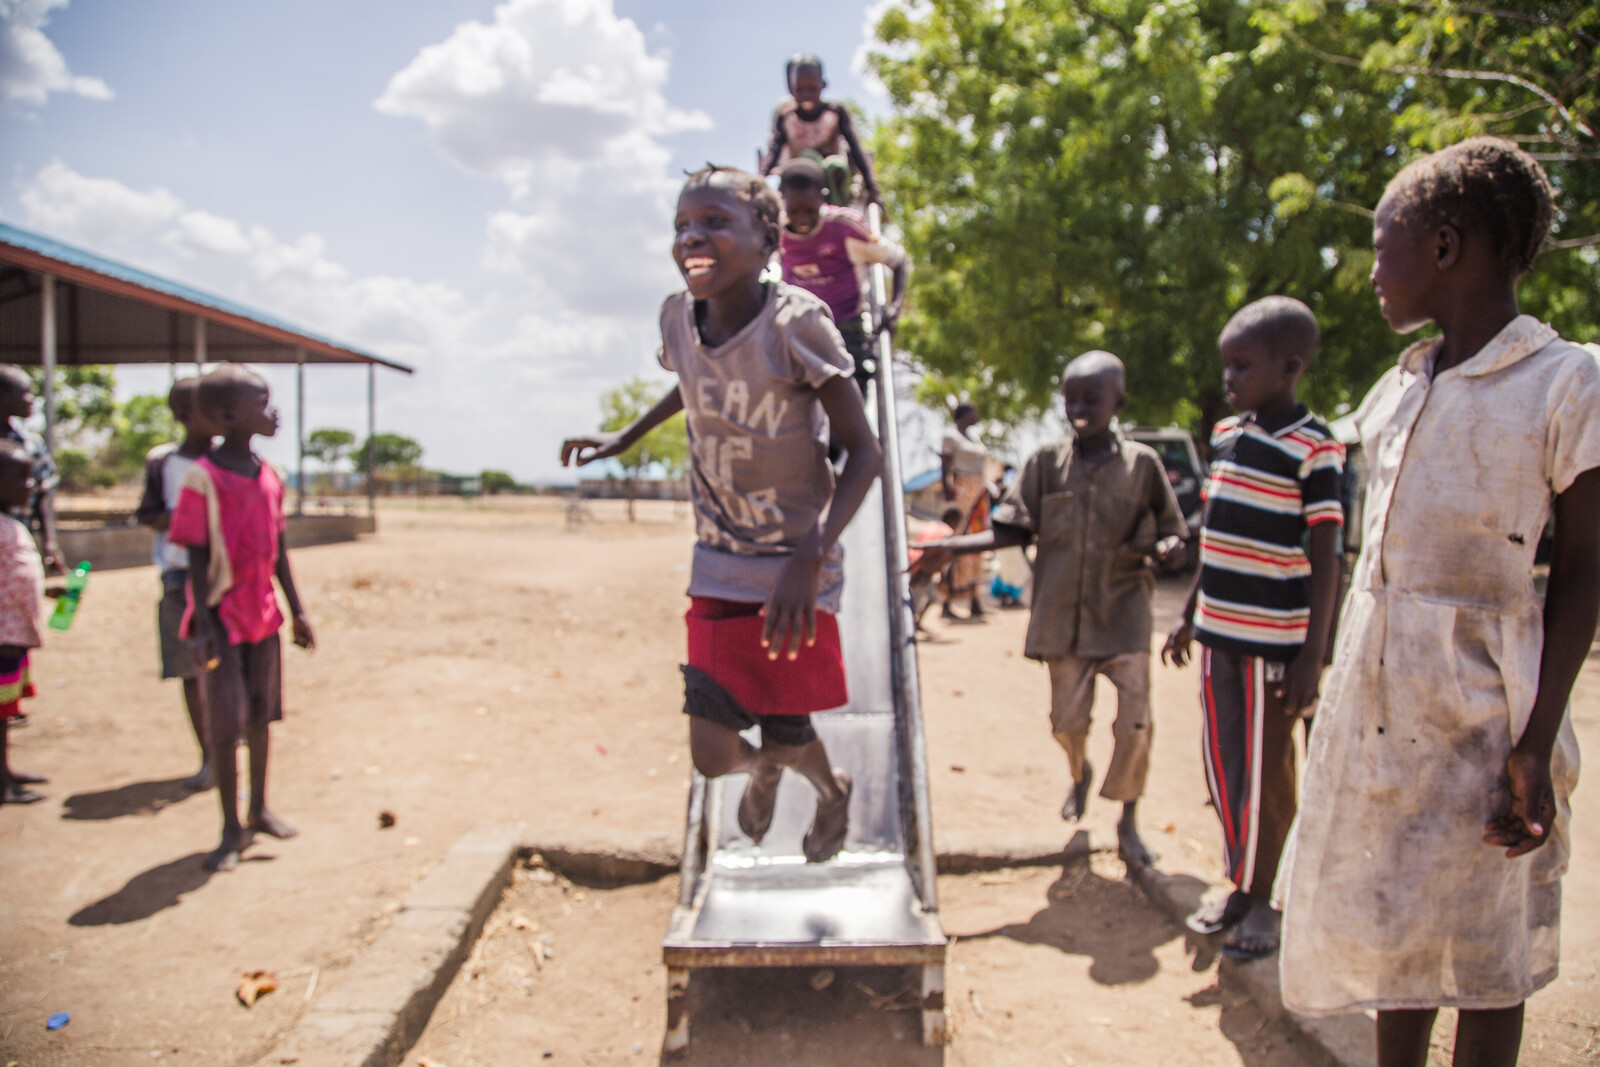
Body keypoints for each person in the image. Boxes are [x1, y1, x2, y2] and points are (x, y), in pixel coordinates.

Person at [1274, 138, 1599, 1067]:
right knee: (1396, 936)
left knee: (1487, 950)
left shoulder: (1565, 381)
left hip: (1488, 712)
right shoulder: (1399, 388)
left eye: (1386, 248)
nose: (1374, 272)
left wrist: (1533, 741)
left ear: (1446, 247)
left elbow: (1585, 569)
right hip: (1385, 710)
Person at [559, 166, 883, 864]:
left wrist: (812, 555)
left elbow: (865, 452)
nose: (692, 237)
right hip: (718, 554)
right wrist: (626, 437)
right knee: (712, 754)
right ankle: (761, 769)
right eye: (681, 225)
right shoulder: (676, 314)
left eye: (713, 222)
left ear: (768, 240)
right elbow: (693, 374)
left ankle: (832, 789)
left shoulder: (800, 323)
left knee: (789, 729)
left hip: (796, 559)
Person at [916, 352, 1187, 866]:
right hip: (1063, 619)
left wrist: (1172, 547)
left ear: (1118, 401)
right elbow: (1008, 531)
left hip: (1125, 613)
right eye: (1072, 399)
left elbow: (1175, 530)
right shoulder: (1045, 463)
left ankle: (1128, 818)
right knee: (1066, 723)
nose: (1080, 408)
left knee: (1135, 723)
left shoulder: (1143, 467)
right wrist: (949, 549)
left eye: (1093, 398)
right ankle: (1079, 772)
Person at [1161, 296, 1344, 961]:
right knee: (1225, 765)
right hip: (1217, 636)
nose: (1230, 378)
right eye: (1226, 366)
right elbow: (1217, 536)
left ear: (1291, 366)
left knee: (1269, 778)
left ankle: (1267, 897)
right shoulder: (1225, 436)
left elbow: (1328, 557)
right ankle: (1241, 879)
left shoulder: (1316, 447)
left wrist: (1311, 656)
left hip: (1276, 643)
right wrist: (1187, 616)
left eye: (1243, 366)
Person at [168, 365, 315, 872]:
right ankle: (229, 829)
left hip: (264, 619)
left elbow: (278, 551)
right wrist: (203, 623)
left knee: (260, 717)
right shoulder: (202, 478)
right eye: (263, 401)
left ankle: (259, 809)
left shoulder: (270, 476)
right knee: (226, 725)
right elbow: (193, 553)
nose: (273, 411)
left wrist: (297, 610)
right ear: (230, 415)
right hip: (222, 622)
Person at [134, 377, 215, 791]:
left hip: (223, 579)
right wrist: (188, 515)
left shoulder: (230, 460)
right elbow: (147, 514)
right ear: (184, 416)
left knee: (224, 669)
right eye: (209, 406)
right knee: (190, 670)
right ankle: (209, 756)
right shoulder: (163, 462)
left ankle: (225, 747)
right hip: (178, 575)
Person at [777, 157, 907, 395]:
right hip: (799, 332)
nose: (802, 219)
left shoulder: (845, 228)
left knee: (847, 406)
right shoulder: (773, 232)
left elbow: (898, 260)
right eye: (794, 211)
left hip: (845, 328)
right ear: (783, 201)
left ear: (822, 196)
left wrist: (894, 309)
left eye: (809, 210)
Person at [759, 54, 882, 208]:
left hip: (834, 180)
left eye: (812, 88)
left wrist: (872, 188)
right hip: (799, 181)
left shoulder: (835, 113)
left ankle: (835, 214)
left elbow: (857, 150)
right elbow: (773, 151)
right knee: (808, 159)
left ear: (823, 85)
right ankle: (806, 211)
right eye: (800, 89)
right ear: (791, 90)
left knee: (835, 166)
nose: (806, 95)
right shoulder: (786, 116)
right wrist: (759, 181)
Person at [0, 441, 47, 804]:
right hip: (3, 637)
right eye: (22, 479)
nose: (30, 486)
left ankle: (6, 770)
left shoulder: (12, 523)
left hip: (13, 637)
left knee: (7, 711)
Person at [0, 367, 64, 578]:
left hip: (18, 540)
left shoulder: (32, 444)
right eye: (25, 393)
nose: (32, 400)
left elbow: (42, 495)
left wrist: (49, 542)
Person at [939, 402, 990, 620]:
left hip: (978, 496)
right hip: (961, 495)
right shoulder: (951, 436)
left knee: (977, 545)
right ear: (963, 415)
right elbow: (945, 469)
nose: (976, 415)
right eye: (973, 412)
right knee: (957, 546)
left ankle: (974, 598)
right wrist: (950, 498)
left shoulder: (975, 438)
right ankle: (947, 601)